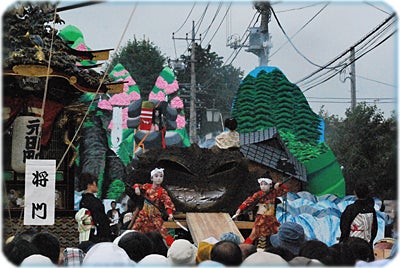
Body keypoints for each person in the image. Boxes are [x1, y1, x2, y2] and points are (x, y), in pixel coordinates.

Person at [234, 177, 289, 246]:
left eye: (265, 184)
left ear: (270, 185)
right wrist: (240, 209)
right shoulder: (258, 194)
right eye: (261, 184)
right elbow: (249, 200)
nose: (263, 186)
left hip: (271, 218)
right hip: (261, 218)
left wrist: (279, 185)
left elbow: (285, 190)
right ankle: (245, 247)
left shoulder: (274, 193)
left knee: (277, 232)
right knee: (255, 234)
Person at [132, 167, 176, 246]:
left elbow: (167, 202)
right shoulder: (147, 186)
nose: (159, 178)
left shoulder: (162, 191)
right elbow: (136, 185)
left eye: (161, 176)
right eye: (156, 176)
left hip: (155, 215)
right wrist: (137, 188)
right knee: (135, 227)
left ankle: (173, 246)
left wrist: (170, 214)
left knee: (163, 231)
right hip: (144, 214)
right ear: (151, 178)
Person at [339, 181, 378, 246]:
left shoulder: (351, 209)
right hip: (367, 245)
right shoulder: (371, 209)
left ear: (355, 193)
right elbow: (374, 229)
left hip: (352, 245)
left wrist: (344, 242)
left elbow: (344, 228)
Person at [79, 172, 111, 243]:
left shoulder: (83, 201)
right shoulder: (94, 201)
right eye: (95, 183)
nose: (97, 186)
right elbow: (100, 219)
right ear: (90, 185)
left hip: (87, 233)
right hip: (98, 234)